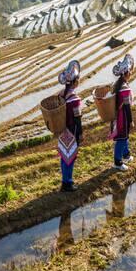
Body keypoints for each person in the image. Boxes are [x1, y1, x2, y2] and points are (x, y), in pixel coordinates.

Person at [57, 60, 83, 192]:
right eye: (78, 79)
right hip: (72, 130)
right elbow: (77, 119)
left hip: (62, 130)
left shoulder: (61, 94)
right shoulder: (74, 99)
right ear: (74, 82)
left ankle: (64, 181)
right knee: (71, 156)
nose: (79, 81)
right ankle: (68, 182)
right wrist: (80, 134)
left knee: (64, 156)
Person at [110, 53, 135, 171]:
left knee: (124, 137)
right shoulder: (124, 88)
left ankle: (126, 155)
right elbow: (127, 107)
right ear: (125, 73)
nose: (131, 73)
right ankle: (117, 162)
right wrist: (131, 120)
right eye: (130, 71)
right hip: (122, 117)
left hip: (118, 116)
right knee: (121, 139)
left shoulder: (118, 85)